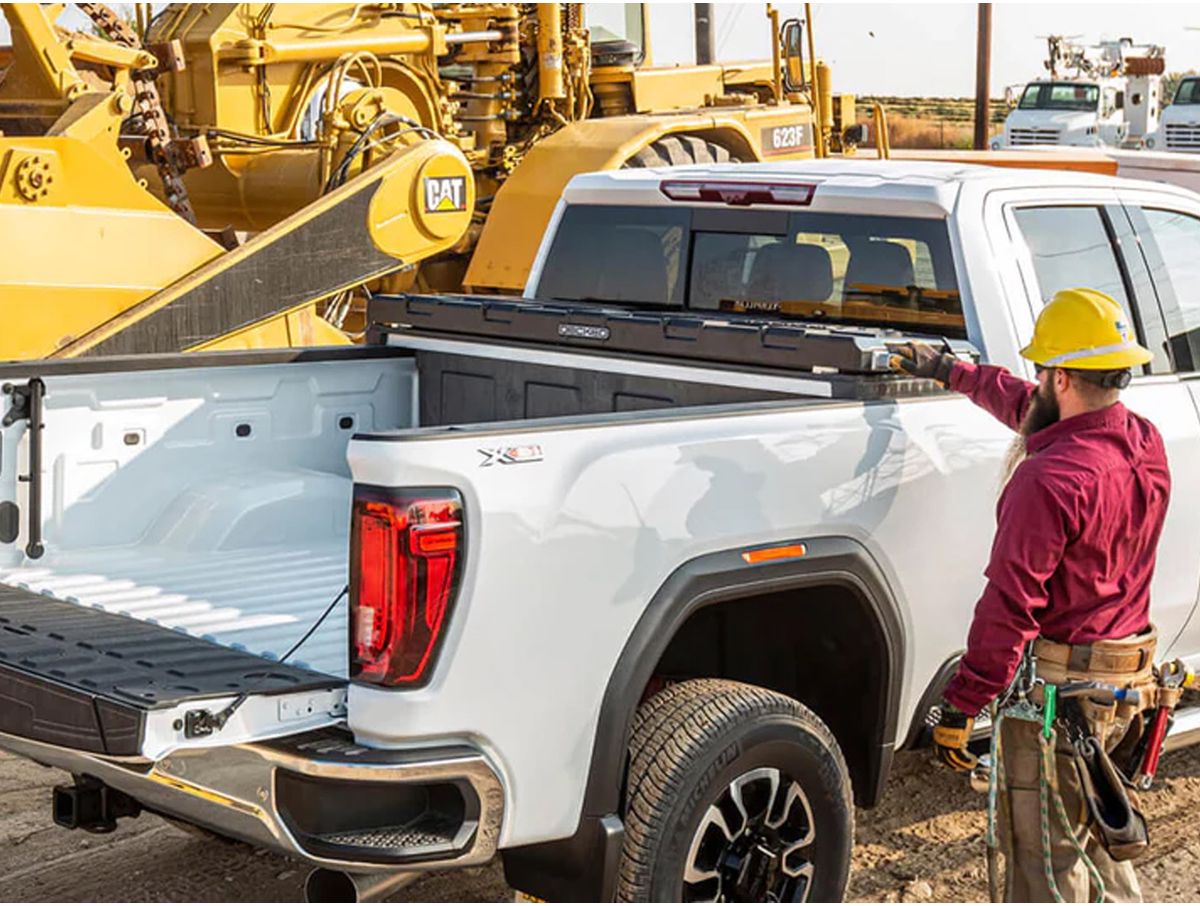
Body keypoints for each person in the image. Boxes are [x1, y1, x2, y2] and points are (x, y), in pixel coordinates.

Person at [891, 288, 1171, 902]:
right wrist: (950, 371)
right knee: (1095, 838)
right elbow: (1033, 408)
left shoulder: (1048, 480)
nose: (1036, 382)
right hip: (1125, 685)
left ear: (1061, 377)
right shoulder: (1142, 441)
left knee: (1047, 863)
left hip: (1062, 699)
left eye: (1043, 371)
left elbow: (1010, 607)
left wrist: (962, 705)